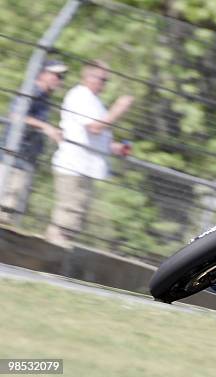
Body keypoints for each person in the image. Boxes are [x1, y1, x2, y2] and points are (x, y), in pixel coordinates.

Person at [45, 60, 133, 247]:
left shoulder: (94, 101)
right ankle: (52, 255)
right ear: (88, 76)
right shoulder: (79, 96)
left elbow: (95, 136)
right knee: (68, 216)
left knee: (76, 218)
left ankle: (56, 256)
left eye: (106, 80)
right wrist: (118, 109)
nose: (104, 83)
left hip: (86, 168)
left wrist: (115, 147)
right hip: (73, 166)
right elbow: (94, 127)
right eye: (102, 79)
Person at [0, 60, 67, 224]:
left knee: (11, 218)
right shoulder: (32, 91)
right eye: (56, 75)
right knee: (4, 213)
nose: (59, 79)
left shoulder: (45, 99)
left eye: (62, 76)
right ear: (43, 73)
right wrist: (45, 127)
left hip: (25, 162)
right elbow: (16, 115)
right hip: (11, 160)